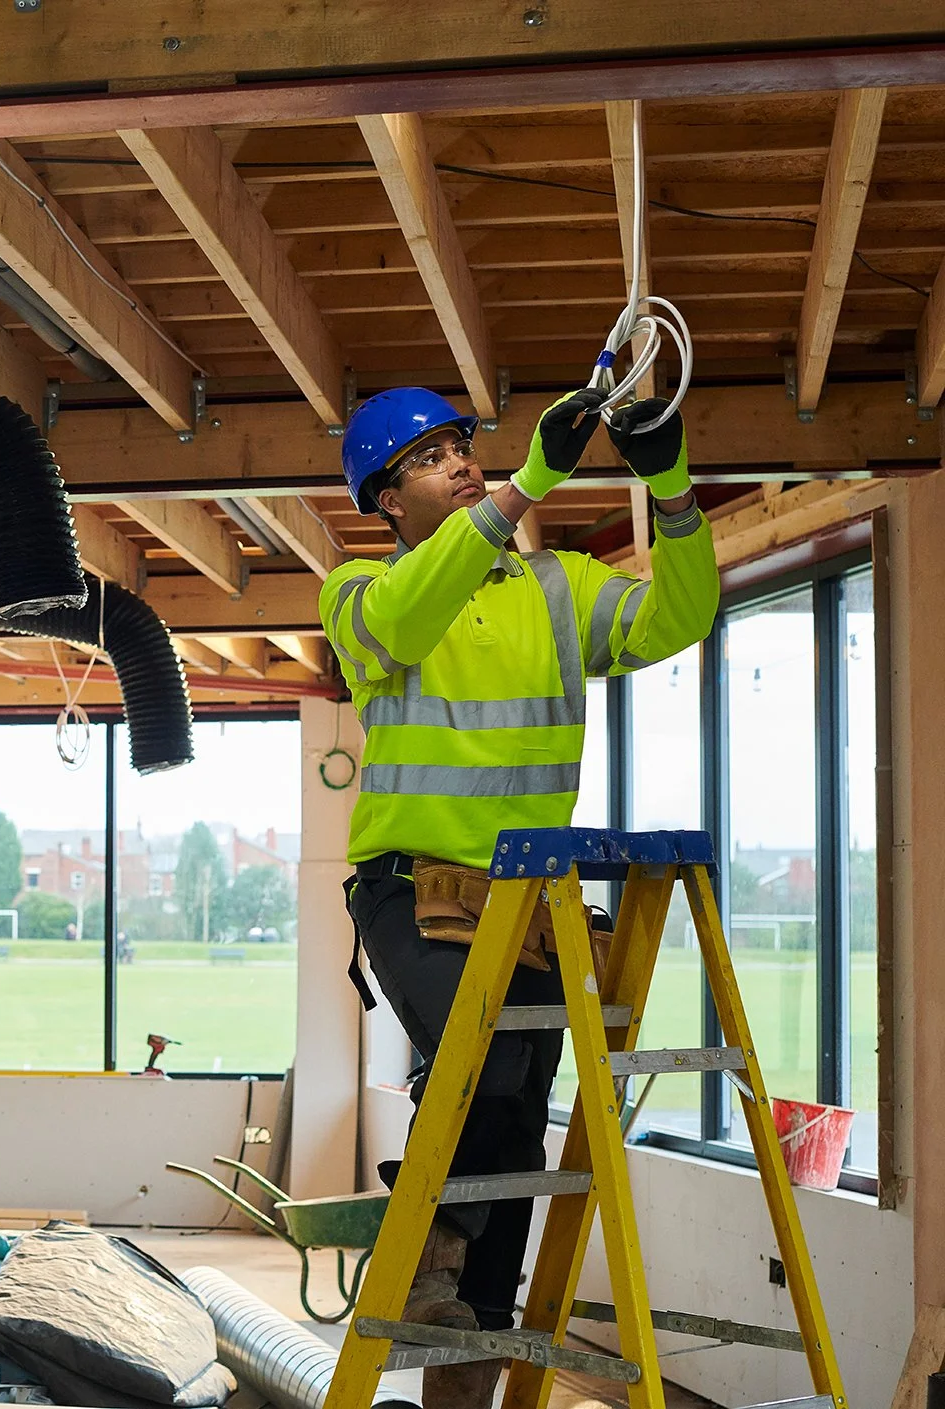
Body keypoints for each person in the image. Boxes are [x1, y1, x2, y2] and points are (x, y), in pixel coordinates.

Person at [322, 387, 719, 1408]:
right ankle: (428, 1260)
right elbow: (414, 615)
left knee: (513, 1119)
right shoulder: (361, 592)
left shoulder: (556, 587)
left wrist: (668, 482)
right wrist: (529, 479)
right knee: (481, 1053)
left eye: (462, 446)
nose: (457, 462)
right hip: (412, 893)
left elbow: (684, 614)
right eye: (427, 459)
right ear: (385, 501)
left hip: (529, 901)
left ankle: (459, 1309)